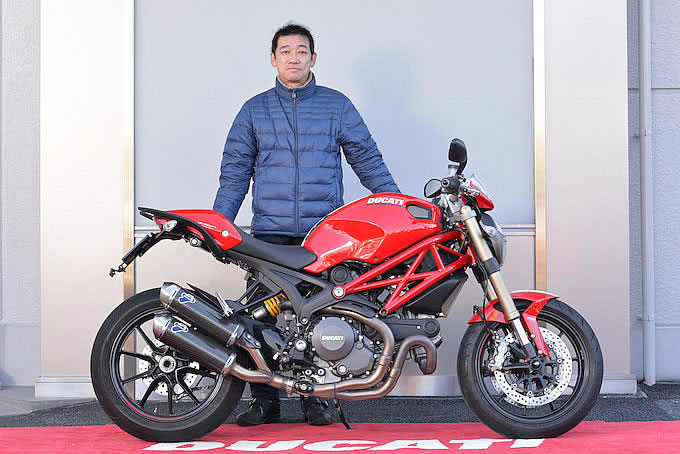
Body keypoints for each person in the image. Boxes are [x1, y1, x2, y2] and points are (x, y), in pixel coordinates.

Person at [213, 23, 400, 427]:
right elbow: (235, 173)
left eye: (301, 51)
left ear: (313, 58)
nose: (293, 58)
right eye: (285, 51)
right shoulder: (254, 110)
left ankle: (318, 400)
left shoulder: (337, 105)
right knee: (258, 318)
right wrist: (220, 225)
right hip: (270, 235)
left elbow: (367, 160)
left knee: (321, 316)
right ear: (273, 59)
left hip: (324, 236)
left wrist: (397, 207)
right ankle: (264, 401)